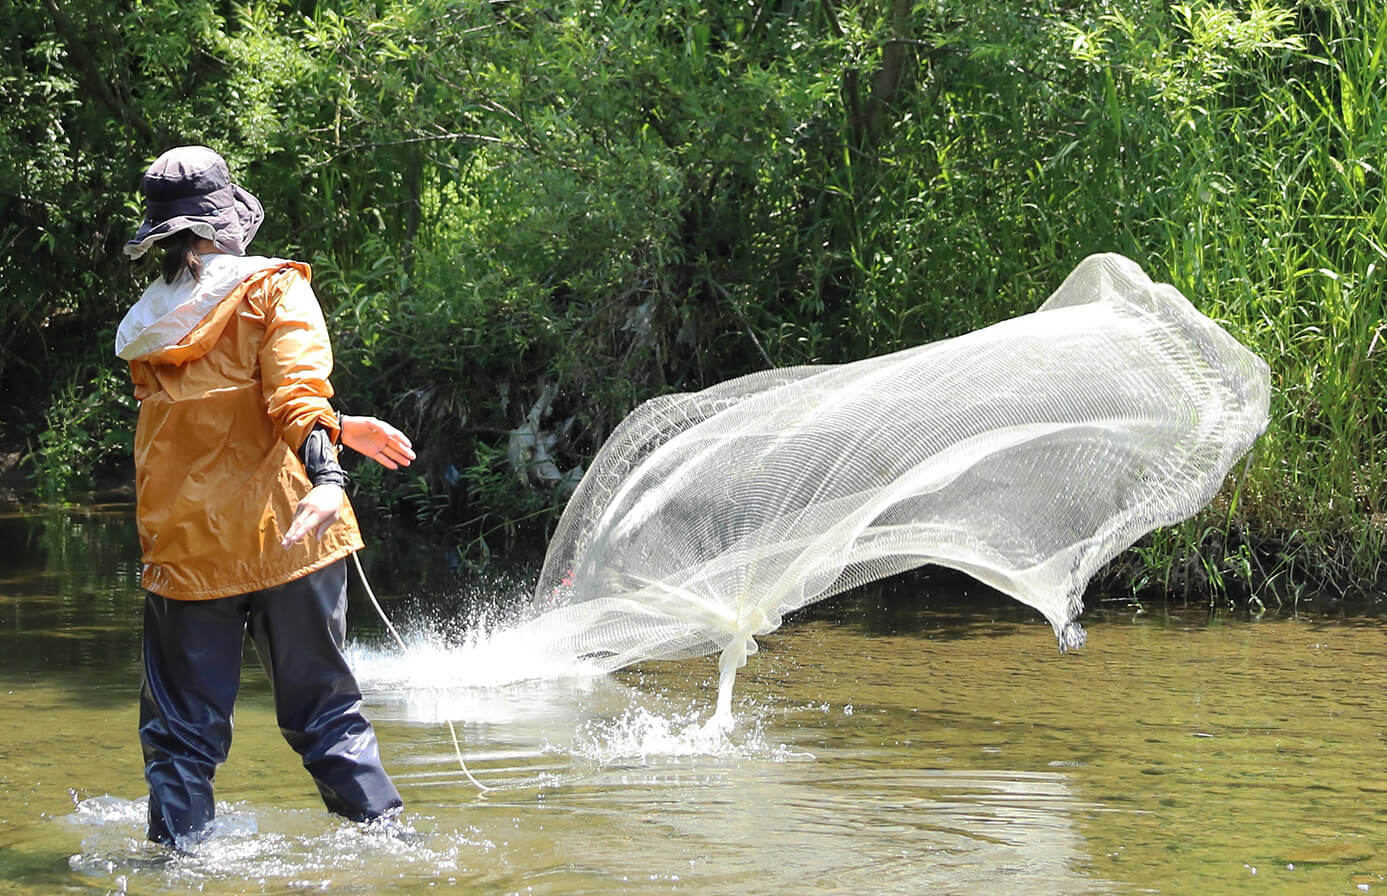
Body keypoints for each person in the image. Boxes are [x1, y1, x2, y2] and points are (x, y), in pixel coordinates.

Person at [115, 145, 416, 848]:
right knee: (328, 720)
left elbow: (213, 418)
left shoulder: (147, 328)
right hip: (291, 533)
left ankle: (178, 872)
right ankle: (395, 855)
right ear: (228, 224)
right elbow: (292, 393)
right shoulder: (274, 289)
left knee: (181, 742)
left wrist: (335, 430)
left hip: (189, 551)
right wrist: (331, 473)